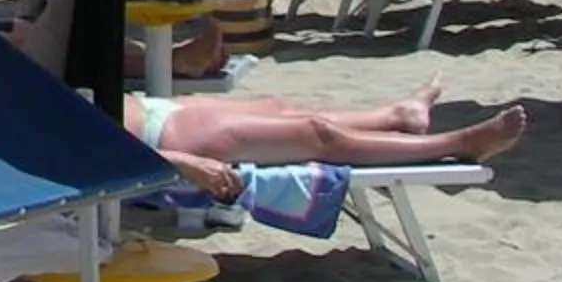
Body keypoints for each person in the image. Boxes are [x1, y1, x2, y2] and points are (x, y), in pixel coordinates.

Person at [126, 76, 526, 189]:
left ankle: (397, 116)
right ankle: (458, 144)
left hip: (152, 111)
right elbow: (80, 159)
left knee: (278, 109)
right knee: (315, 134)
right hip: (159, 142)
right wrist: (180, 163)